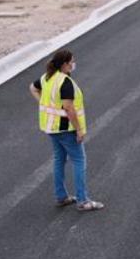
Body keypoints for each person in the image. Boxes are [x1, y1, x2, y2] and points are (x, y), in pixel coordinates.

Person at [29, 49, 104, 212]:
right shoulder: (65, 82)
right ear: (64, 64)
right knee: (79, 161)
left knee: (59, 160)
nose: (73, 64)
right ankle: (83, 201)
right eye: (72, 62)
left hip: (51, 128)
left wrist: (44, 104)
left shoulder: (46, 78)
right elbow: (69, 108)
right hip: (66, 129)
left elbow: (33, 88)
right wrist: (79, 130)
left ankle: (61, 196)